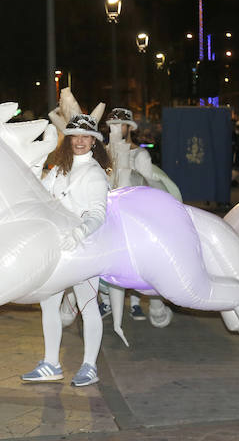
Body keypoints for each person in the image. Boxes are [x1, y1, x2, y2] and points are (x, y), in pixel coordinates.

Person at [21, 114, 110, 387]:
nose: (80, 141)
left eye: (86, 137)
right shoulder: (60, 169)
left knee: (87, 306)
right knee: (49, 305)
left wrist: (80, 232)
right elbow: (39, 194)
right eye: (75, 136)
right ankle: (51, 363)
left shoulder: (94, 173)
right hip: (57, 249)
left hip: (84, 248)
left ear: (94, 142)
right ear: (68, 139)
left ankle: (89, 365)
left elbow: (98, 213)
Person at [103, 107, 173, 325]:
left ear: (129, 128)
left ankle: (135, 301)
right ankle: (105, 298)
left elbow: (149, 182)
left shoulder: (140, 154)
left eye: (121, 125)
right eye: (113, 125)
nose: (117, 129)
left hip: (134, 211)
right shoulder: (103, 152)